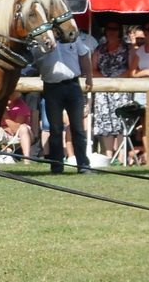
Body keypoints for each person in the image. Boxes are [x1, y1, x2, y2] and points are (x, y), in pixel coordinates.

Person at [35, 23, 94, 173]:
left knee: (78, 128)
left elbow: (83, 55)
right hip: (52, 87)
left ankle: (83, 165)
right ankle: (56, 165)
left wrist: (89, 77)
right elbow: (35, 61)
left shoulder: (73, 38)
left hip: (73, 85)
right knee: (55, 129)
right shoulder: (41, 42)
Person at [89, 20, 137, 158]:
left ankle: (121, 156)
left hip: (122, 89)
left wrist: (118, 81)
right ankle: (109, 156)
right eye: (109, 28)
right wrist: (106, 80)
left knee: (122, 123)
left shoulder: (128, 48)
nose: (112, 31)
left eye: (115, 29)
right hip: (103, 90)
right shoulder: (99, 49)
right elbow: (93, 69)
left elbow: (131, 68)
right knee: (105, 124)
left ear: (120, 31)